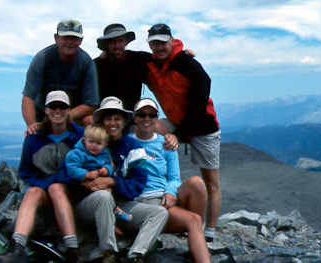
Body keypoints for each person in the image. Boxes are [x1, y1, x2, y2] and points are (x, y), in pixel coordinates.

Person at [145, 23, 221, 242]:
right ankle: (157, 190)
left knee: (211, 182)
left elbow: (201, 95)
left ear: (171, 41)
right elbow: (127, 58)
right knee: (148, 125)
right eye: (154, 43)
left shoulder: (187, 64)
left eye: (162, 42)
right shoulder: (150, 64)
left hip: (203, 126)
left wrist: (181, 132)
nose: (159, 47)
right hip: (177, 124)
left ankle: (209, 232)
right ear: (150, 44)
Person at [0, 90, 84, 263]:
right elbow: (25, 171)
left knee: (56, 188)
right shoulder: (34, 138)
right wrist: (43, 185)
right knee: (32, 192)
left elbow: (84, 166)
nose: (58, 110)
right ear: (46, 110)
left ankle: (72, 251)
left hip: (73, 192)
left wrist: (53, 183)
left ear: (69, 109)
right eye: (53, 106)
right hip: (45, 192)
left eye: (62, 106)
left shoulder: (80, 136)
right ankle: (17, 249)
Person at [82, 96, 169, 263]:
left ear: (123, 121)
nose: (113, 123)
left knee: (159, 213)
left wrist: (112, 182)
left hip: (121, 207)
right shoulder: (90, 144)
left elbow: (137, 186)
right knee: (104, 197)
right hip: (91, 205)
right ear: (102, 121)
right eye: (109, 119)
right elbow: (75, 175)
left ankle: (135, 255)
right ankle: (109, 254)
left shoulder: (134, 149)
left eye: (117, 119)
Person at [130, 98, 211, 262]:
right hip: (144, 202)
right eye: (142, 115)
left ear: (156, 118)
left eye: (152, 115)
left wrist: (170, 191)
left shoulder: (166, 144)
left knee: (197, 183)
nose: (147, 119)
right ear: (135, 117)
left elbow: (174, 178)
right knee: (193, 220)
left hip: (164, 199)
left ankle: (194, 235)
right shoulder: (126, 144)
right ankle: (195, 236)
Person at [22, 18, 99, 135]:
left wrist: (62, 117)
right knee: (33, 132)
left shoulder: (86, 62)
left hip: (72, 113)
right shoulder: (42, 59)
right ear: (56, 38)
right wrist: (32, 125)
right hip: (43, 113)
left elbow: (90, 104)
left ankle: (87, 150)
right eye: (66, 37)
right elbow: (28, 97)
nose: (70, 42)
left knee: (89, 121)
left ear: (81, 40)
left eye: (74, 38)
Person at [65, 123, 133, 222]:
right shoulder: (77, 153)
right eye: (91, 141)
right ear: (84, 140)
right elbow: (72, 168)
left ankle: (115, 209)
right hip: (82, 188)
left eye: (99, 143)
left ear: (105, 144)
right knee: (101, 193)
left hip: (99, 182)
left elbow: (109, 165)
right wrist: (86, 174)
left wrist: (106, 170)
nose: (94, 146)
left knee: (108, 191)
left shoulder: (105, 153)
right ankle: (114, 210)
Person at [94, 23, 152, 110]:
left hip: (133, 118)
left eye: (120, 40)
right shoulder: (95, 66)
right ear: (107, 44)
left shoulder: (139, 59)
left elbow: (163, 58)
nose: (117, 46)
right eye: (112, 41)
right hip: (104, 117)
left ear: (126, 41)